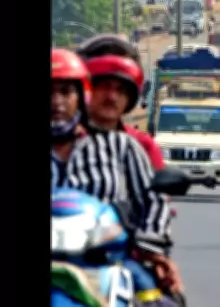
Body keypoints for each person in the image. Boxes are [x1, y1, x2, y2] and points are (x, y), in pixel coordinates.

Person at [51, 49, 180, 305]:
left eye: (66, 92)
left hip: (105, 262)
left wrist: (148, 244)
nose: (57, 102)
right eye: (49, 93)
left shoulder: (122, 147)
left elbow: (153, 201)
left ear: (81, 97)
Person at [75, 34, 164, 171]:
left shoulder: (142, 145)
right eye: (104, 86)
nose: (112, 97)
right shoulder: (64, 143)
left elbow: (159, 191)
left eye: (121, 90)